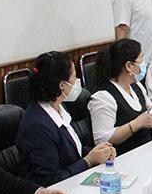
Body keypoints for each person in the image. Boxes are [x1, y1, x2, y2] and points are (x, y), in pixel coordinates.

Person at [15, 51, 116, 185]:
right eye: (74, 77)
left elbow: (73, 151)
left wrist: (100, 152)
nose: (77, 81)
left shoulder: (60, 108)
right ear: (62, 85)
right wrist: (88, 161)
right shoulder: (37, 125)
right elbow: (50, 179)